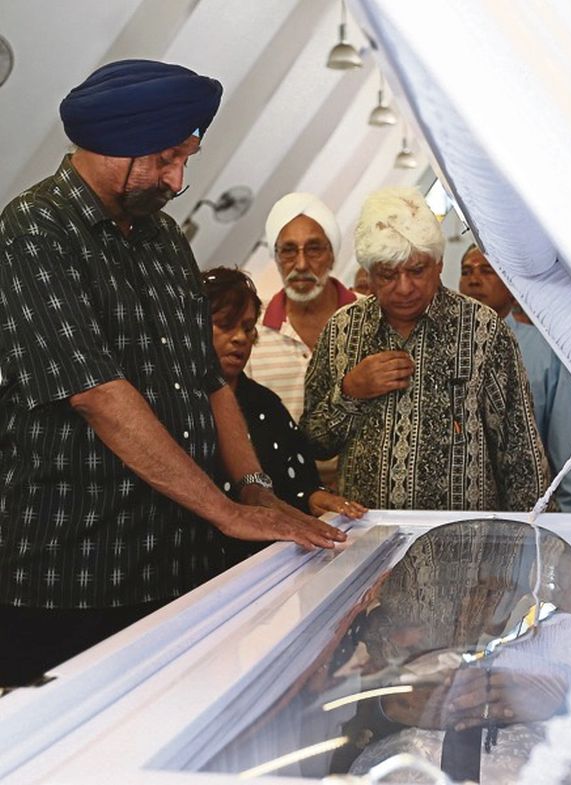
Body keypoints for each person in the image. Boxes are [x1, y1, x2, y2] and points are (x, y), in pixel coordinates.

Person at [0, 59, 344, 687]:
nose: (178, 179)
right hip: (74, 574)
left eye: (186, 157)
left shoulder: (162, 237)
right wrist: (225, 510)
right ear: (109, 144)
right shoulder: (34, 231)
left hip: (175, 561)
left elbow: (208, 381)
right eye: (163, 159)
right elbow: (97, 394)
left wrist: (254, 489)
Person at [301, 187, 549, 511]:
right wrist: (350, 391)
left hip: (463, 547)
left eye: (416, 271)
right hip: (368, 544)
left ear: (438, 264)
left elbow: (520, 456)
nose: (404, 288)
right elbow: (313, 442)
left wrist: (531, 543)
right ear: (369, 276)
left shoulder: (483, 330)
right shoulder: (343, 331)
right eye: (388, 275)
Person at [201, 266, 366, 567]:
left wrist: (316, 500)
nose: (240, 338)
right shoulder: (180, 408)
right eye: (225, 325)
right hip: (203, 577)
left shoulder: (266, 405)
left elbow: (298, 486)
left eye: (248, 327)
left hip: (276, 568)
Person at [459, 245, 571, 512]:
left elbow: (567, 449)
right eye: (466, 271)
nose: (474, 280)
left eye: (487, 271)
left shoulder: (545, 353)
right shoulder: (447, 348)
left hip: (523, 514)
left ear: (510, 287)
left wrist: (568, 524)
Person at [245, 192, 357, 425]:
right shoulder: (250, 328)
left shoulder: (370, 315)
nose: (302, 264)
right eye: (288, 250)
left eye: (314, 249)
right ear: (275, 257)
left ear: (332, 256)